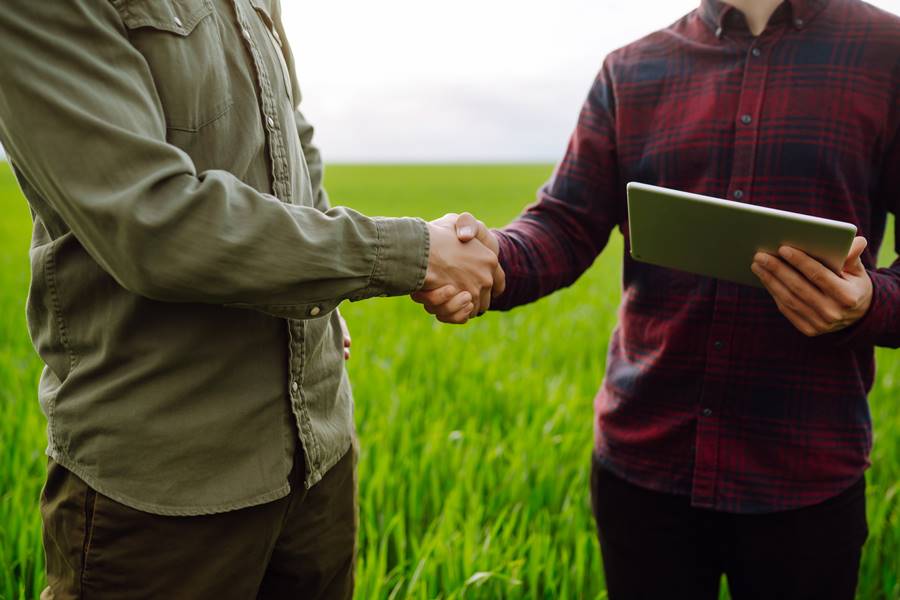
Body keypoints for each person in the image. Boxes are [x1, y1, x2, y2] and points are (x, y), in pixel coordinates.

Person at [0, 1, 504, 598]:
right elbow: (154, 225)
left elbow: (292, 142)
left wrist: (324, 293)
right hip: (166, 490)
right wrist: (412, 252)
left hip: (319, 457)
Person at [417, 0, 900, 597]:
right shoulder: (631, 69)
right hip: (644, 469)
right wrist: (488, 256)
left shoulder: (887, 54)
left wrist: (868, 303)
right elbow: (564, 226)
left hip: (803, 475)